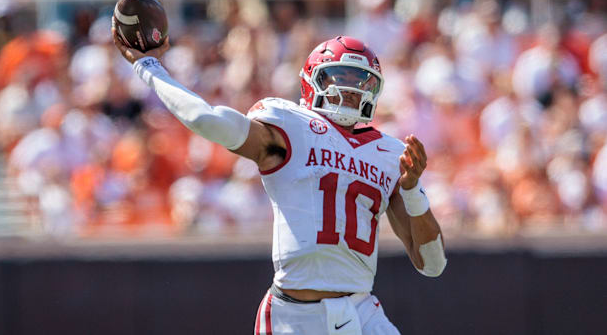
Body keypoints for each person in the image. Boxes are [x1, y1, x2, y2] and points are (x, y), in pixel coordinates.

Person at [113, 25, 446, 334]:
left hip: (362, 311)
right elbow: (206, 119)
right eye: (339, 77)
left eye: (361, 81)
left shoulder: (389, 153)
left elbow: (432, 265)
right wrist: (149, 67)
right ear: (311, 81)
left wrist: (412, 189)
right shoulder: (291, 125)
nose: (350, 90)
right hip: (294, 316)